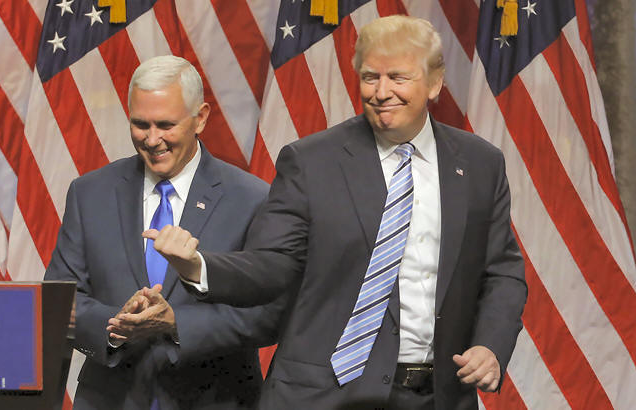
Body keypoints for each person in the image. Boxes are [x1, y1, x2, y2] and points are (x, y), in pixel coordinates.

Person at [149, 16, 527, 410]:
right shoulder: (311, 162)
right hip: (323, 396)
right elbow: (271, 265)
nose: (382, 92)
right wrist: (198, 266)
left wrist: (490, 345)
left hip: (438, 395)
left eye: (398, 78)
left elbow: (502, 272)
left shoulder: (480, 164)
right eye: (370, 77)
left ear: (434, 83)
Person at [44, 55, 282, 410]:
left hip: (214, 400)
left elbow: (267, 314)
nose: (152, 139)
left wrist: (175, 324)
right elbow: (59, 301)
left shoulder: (252, 198)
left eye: (166, 125)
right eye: (141, 125)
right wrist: (116, 325)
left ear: (201, 118)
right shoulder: (89, 193)